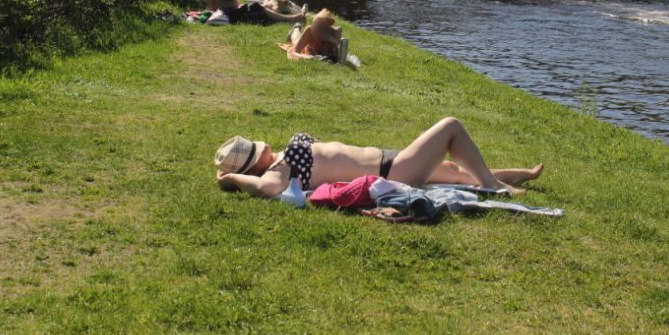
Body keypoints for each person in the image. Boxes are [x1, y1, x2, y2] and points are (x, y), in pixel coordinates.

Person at [214, 117, 545, 198]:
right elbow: (267, 190)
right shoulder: (278, 171)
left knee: (456, 171)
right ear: (254, 163)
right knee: (450, 126)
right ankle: (494, 188)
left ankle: (519, 175)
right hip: (392, 171)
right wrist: (231, 179)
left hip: (391, 160)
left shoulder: (285, 157)